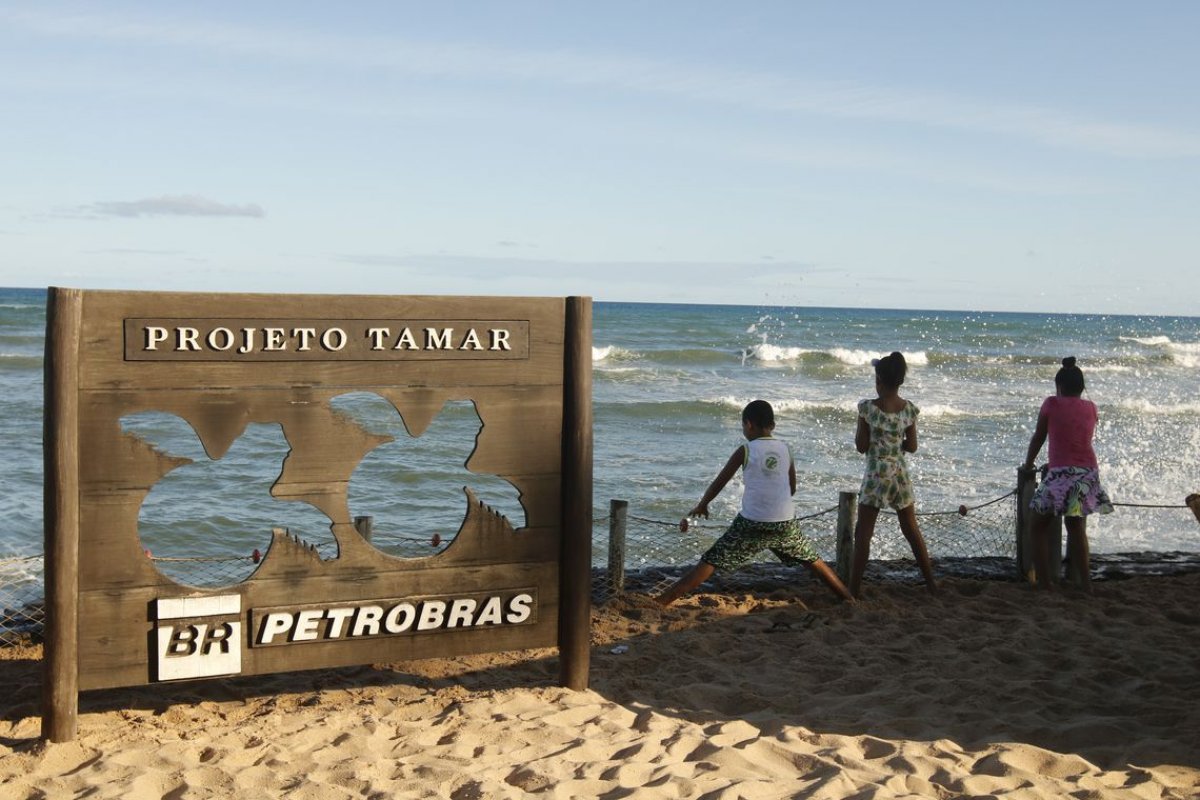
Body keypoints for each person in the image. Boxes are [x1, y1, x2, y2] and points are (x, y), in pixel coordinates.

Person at [656, 399, 854, 606]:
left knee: (711, 560)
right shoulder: (786, 449)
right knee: (813, 560)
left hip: (752, 523)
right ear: (773, 425)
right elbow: (791, 487)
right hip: (784, 522)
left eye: (743, 426)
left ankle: (663, 600)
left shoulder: (746, 450)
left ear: (748, 424)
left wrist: (703, 504)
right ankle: (848, 598)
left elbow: (719, 482)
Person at [849, 352, 937, 598]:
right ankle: (931, 584)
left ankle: (854, 590)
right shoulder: (908, 410)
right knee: (911, 528)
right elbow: (912, 446)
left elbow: (861, 446)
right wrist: (897, 444)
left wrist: (866, 431)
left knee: (863, 533)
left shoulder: (868, 409)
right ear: (900, 381)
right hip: (899, 473)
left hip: (877, 473)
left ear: (878, 380)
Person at [1022, 356, 1113, 592]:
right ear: (1082, 388)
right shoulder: (1091, 408)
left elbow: (1039, 437)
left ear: (1058, 387)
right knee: (1076, 528)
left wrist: (1029, 463)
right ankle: (1086, 585)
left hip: (1061, 473)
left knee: (1037, 525)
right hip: (1088, 471)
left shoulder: (1051, 403)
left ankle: (1045, 583)